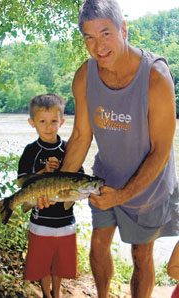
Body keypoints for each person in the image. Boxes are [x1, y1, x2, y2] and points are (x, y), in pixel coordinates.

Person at [54, 0, 178, 297]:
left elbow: (161, 150)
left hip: (150, 188)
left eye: (106, 33)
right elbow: (82, 136)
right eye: (89, 37)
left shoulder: (155, 78)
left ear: (123, 29)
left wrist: (123, 195)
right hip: (105, 179)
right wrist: (56, 188)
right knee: (97, 247)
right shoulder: (85, 76)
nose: (99, 47)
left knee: (141, 256)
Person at [17, 94, 80, 298]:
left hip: (65, 220)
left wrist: (62, 169)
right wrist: (43, 173)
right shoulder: (30, 151)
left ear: (61, 122)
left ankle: (57, 292)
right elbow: (22, 181)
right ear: (32, 122)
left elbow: (80, 178)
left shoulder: (69, 149)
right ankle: (46, 293)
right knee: (42, 262)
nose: (48, 126)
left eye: (54, 121)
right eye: (42, 121)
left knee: (59, 264)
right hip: (40, 220)